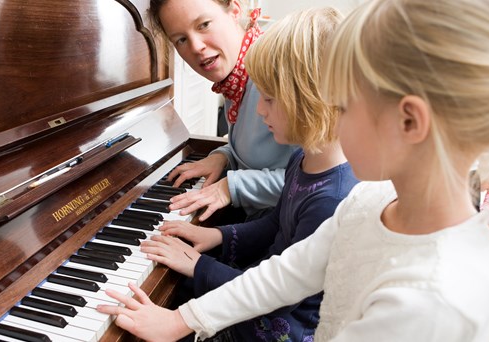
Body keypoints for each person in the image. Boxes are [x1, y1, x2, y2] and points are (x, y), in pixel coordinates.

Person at [97, 0, 489, 340]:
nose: (328, 121)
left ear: (408, 122)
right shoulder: (368, 202)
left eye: (341, 105)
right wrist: (181, 320)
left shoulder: (429, 301)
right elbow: (286, 273)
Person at [141, 8, 354, 341]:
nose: (258, 107)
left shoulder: (330, 200)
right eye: (180, 39)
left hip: (277, 327)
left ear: (311, 99)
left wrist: (198, 269)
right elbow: (276, 223)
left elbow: (279, 296)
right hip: (263, 288)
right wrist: (219, 236)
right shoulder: (303, 158)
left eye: (268, 98)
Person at [148, 0, 298, 221]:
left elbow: (318, 180)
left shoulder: (281, 69)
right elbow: (263, 151)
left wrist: (230, 187)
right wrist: (224, 157)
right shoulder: (235, 76)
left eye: (204, 25)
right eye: (181, 39)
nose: (196, 46)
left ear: (234, 10)